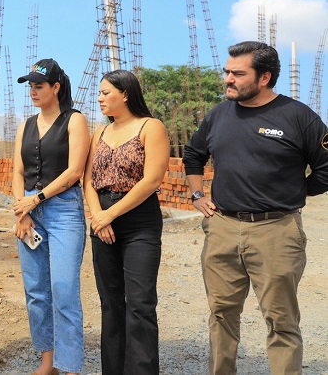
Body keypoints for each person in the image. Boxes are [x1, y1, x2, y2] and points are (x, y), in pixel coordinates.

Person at [182, 41, 328, 375]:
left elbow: (326, 167)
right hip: (222, 228)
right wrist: (196, 195)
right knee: (221, 315)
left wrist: (296, 192)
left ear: (264, 78)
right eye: (227, 72)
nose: (227, 79)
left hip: (277, 232)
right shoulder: (219, 114)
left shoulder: (298, 116)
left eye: (237, 73)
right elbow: (193, 154)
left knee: (281, 321)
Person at [83, 69, 170, 374]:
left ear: (126, 94)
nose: (100, 98)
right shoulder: (100, 132)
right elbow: (89, 180)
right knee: (110, 303)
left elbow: (152, 180)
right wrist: (98, 217)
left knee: (140, 304)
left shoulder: (151, 127)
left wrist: (111, 214)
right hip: (101, 220)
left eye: (106, 92)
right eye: (100, 92)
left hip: (138, 221)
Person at [12, 58, 90, 375]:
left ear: (55, 87)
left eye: (39, 85)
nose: (32, 91)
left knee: (63, 289)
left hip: (63, 211)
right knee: (36, 291)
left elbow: (74, 172)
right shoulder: (25, 126)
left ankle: (70, 366)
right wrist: (22, 209)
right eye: (30, 85)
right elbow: (18, 171)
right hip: (29, 211)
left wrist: (38, 198)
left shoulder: (74, 121)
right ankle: (48, 363)